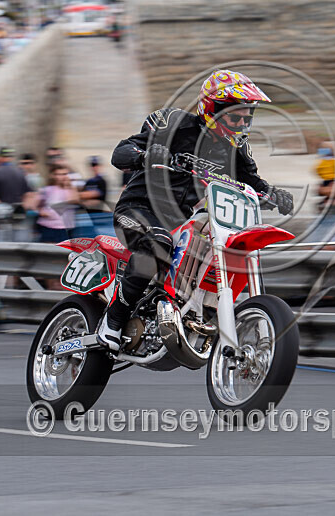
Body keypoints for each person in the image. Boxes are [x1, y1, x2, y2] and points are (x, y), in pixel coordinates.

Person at [97, 69, 294, 350]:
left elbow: (253, 183)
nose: (242, 123)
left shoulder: (237, 147)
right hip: (138, 210)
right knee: (158, 242)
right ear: (213, 109)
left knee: (216, 245)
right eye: (235, 116)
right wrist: (148, 154)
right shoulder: (174, 124)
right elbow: (121, 152)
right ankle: (113, 320)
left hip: (182, 221)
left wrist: (273, 194)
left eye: (246, 117)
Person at [36, 164, 79, 243]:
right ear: (54, 176)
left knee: (62, 252)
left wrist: (67, 184)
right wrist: (40, 211)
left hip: (64, 228)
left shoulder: (71, 189)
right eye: (59, 174)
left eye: (65, 174)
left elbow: (73, 200)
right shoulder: (47, 189)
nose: (62, 177)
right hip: (48, 226)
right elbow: (37, 204)